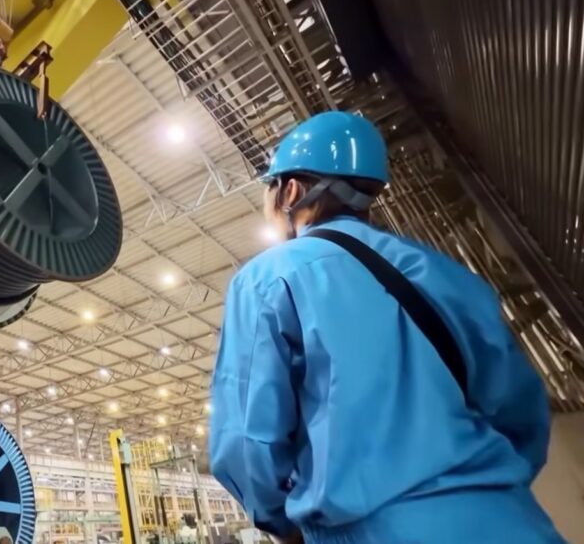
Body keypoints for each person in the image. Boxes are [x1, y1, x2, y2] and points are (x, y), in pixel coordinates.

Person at [208, 111, 565, 543]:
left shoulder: (268, 279)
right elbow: (522, 413)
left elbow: (247, 441)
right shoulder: (452, 277)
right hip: (513, 522)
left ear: (291, 190)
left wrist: (281, 524)